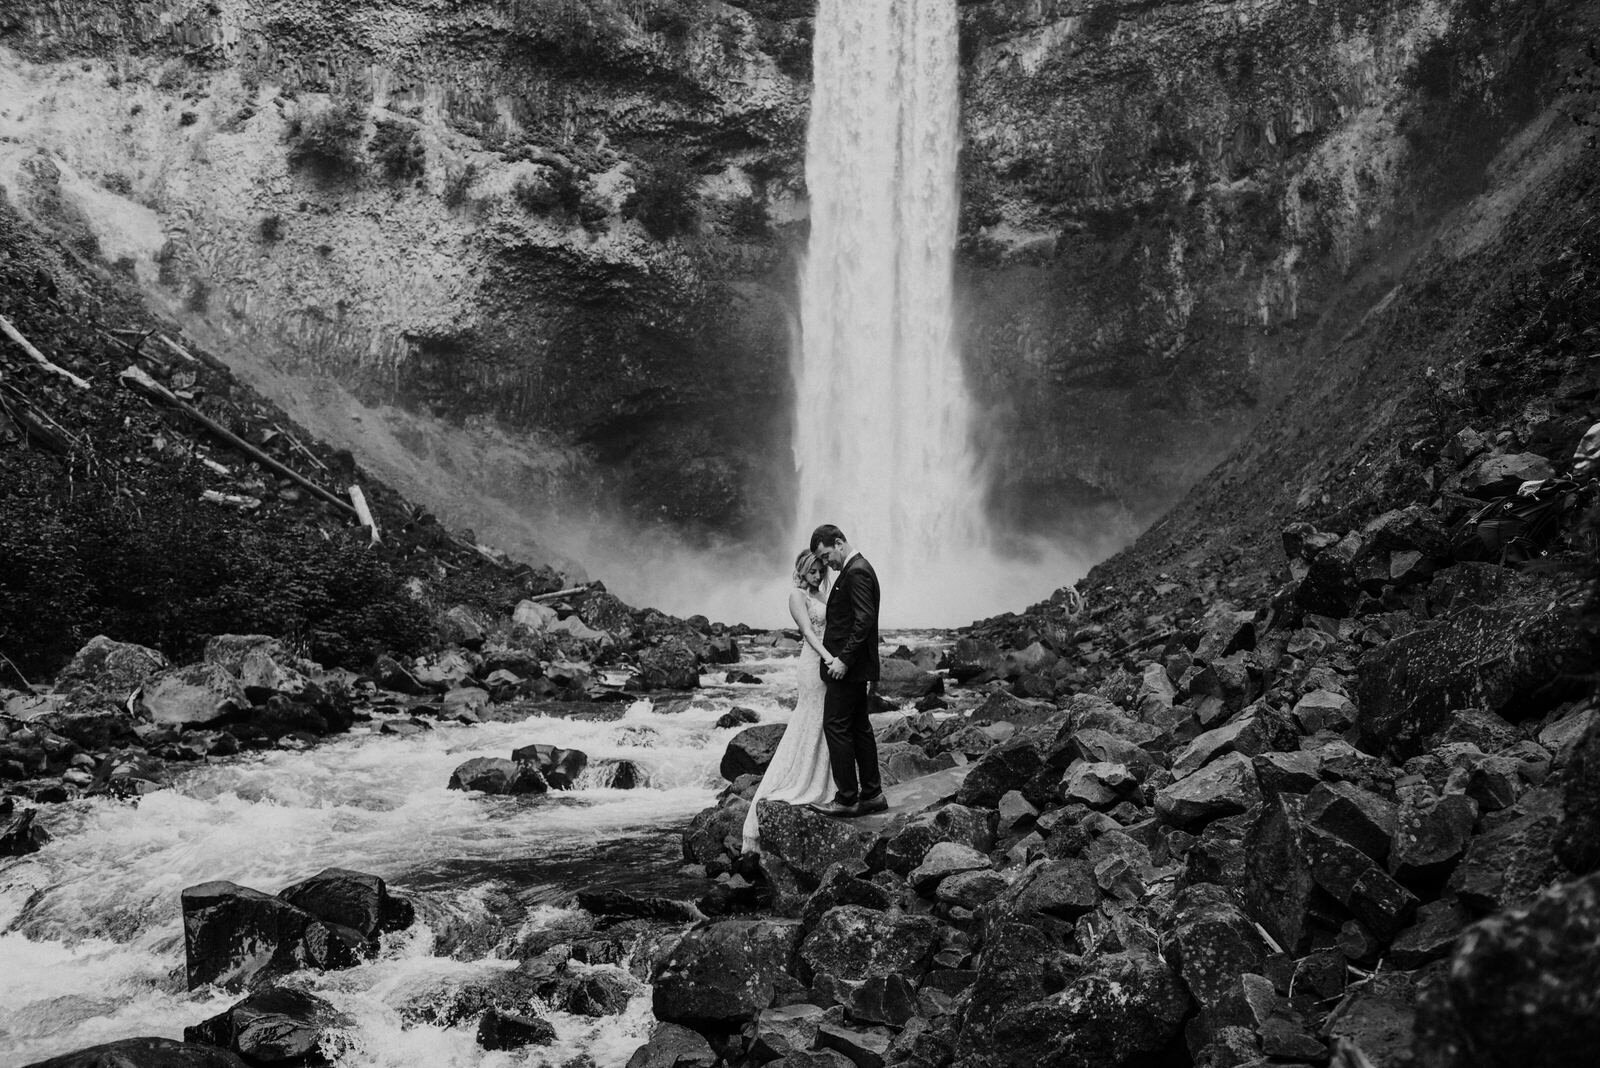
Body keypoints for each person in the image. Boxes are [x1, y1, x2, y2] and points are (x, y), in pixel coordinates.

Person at [740, 550, 837, 853]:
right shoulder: (797, 596)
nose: (818, 576)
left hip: (827, 662)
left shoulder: (821, 593)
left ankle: (824, 784)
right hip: (813, 665)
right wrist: (829, 658)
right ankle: (798, 781)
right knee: (809, 719)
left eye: (821, 571)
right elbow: (808, 632)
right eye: (813, 572)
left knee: (825, 722)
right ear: (801, 571)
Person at [807, 523, 886, 818]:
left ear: (839, 543)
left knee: (836, 726)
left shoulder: (857, 571)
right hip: (855, 668)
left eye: (827, 556)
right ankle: (873, 794)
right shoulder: (855, 570)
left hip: (848, 669)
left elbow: (864, 621)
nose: (827, 563)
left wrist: (843, 660)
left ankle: (847, 798)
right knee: (859, 728)